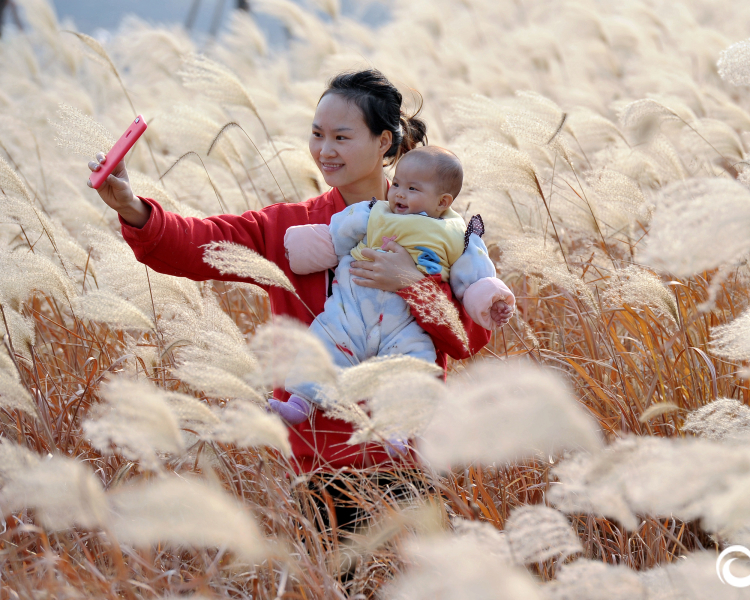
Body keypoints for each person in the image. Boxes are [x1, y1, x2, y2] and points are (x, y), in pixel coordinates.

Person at [86, 69, 492, 527]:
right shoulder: (289, 227)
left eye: (342, 136)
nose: (325, 150)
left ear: (384, 143)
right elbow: (201, 243)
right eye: (317, 134)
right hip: (318, 457)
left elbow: (469, 337)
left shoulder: (440, 228)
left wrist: (411, 283)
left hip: (405, 451)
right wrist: (132, 208)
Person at [272, 146, 514, 424]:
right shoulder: (375, 212)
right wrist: (303, 249)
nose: (398, 193)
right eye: (396, 183)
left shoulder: (458, 236)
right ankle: (300, 403)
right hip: (352, 308)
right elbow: (337, 233)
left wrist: (491, 301)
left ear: (442, 201)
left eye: (412, 188)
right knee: (323, 344)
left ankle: (399, 428)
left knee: (414, 364)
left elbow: (475, 277)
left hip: (405, 323)